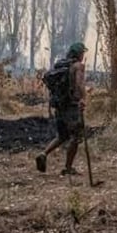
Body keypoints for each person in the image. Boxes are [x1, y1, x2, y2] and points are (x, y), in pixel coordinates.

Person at [36, 42, 87, 175]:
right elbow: (79, 84)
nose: (83, 55)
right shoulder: (78, 66)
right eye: (82, 52)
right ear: (79, 54)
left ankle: (43, 153)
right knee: (75, 137)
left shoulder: (61, 65)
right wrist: (82, 99)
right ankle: (68, 168)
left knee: (62, 136)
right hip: (71, 107)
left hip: (59, 106)